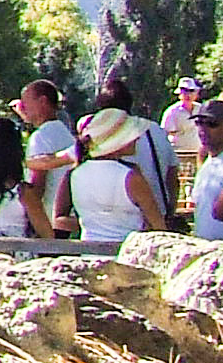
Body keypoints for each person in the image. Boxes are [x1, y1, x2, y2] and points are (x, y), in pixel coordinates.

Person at [68, 109, 168, 246]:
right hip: (127, 254)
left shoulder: (76, 173)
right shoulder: (131, 177)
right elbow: (159, 227)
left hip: (89, 252)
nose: (137, 138)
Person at [97, 74, 178, 218]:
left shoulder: (102, 135)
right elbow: (172, 175)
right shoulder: (155, 129)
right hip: (160, 214)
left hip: (122, 220)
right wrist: (170, 210)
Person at [19, 80, 78, 229]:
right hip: (63, 218)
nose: (22, 108)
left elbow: (38, 185)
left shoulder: (41, 137)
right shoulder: (65, 134)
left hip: (46, 221)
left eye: (26, 102)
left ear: (42, 102)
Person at [192, 100, 223, 239]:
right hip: (204, 250)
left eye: (212, 124)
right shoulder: (208, 162)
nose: (203, 129)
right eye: (199, 122)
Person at [165, 77, 209, 160]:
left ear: (196, 93)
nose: (188, 95)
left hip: (198, 154)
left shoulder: (201, 109)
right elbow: (164, 134)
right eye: (184, 91)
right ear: (179, 94)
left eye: (191, 91)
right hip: (179, 155)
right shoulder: (172, 111)